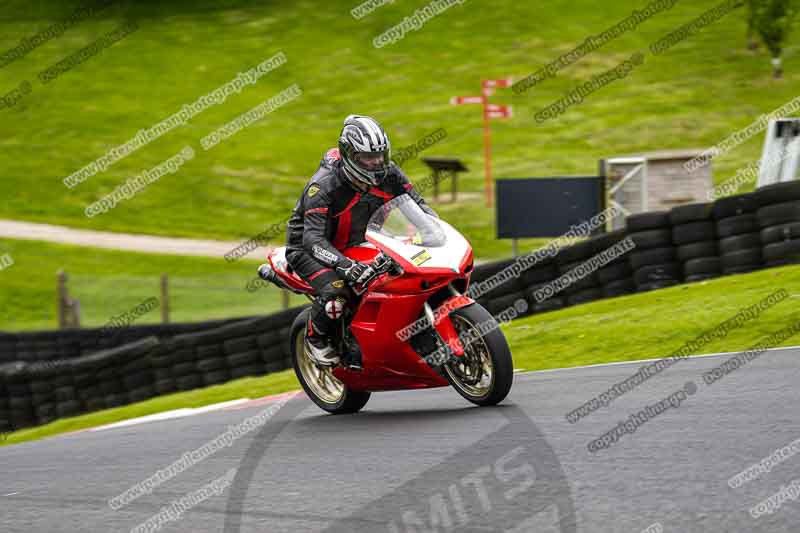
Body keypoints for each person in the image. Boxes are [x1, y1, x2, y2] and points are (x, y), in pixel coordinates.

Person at [285, 115, 437, 366]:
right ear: (350, 156)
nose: (376, 163)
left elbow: (417, 204)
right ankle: (316, 339)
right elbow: (312, 238)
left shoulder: (389, 172)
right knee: (337, 294)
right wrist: (346, 266)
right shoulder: (322, 187)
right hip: (308, 249)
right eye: (368, 158)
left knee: (402, 274)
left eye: (380, 155)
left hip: (361, 239)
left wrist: (432, 228)